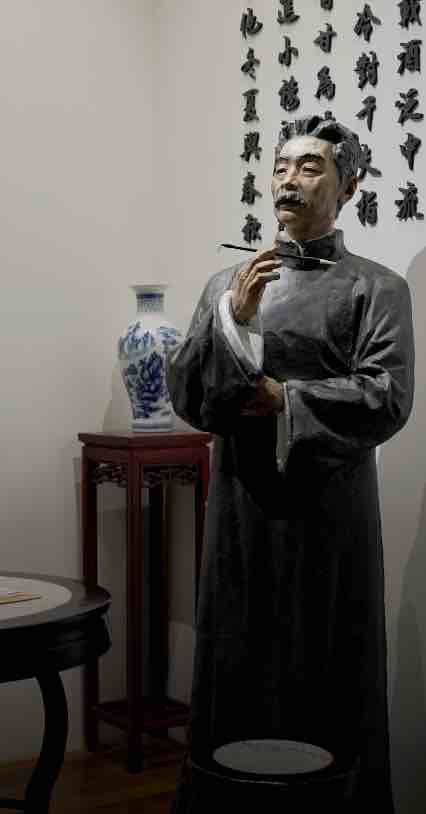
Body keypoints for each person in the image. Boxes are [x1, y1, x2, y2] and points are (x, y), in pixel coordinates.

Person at [166, 115, 414, 813]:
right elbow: (189, 395)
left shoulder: (377, 288)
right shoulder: (229, 281)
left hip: (330, 515)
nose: (289, 180)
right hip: (240, 509)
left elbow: (388, 396)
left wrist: (287, 400)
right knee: (236, 654)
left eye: (310, 167)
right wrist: (234, 320)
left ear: (348, 186)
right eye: (280, 166)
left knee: (326, 662)